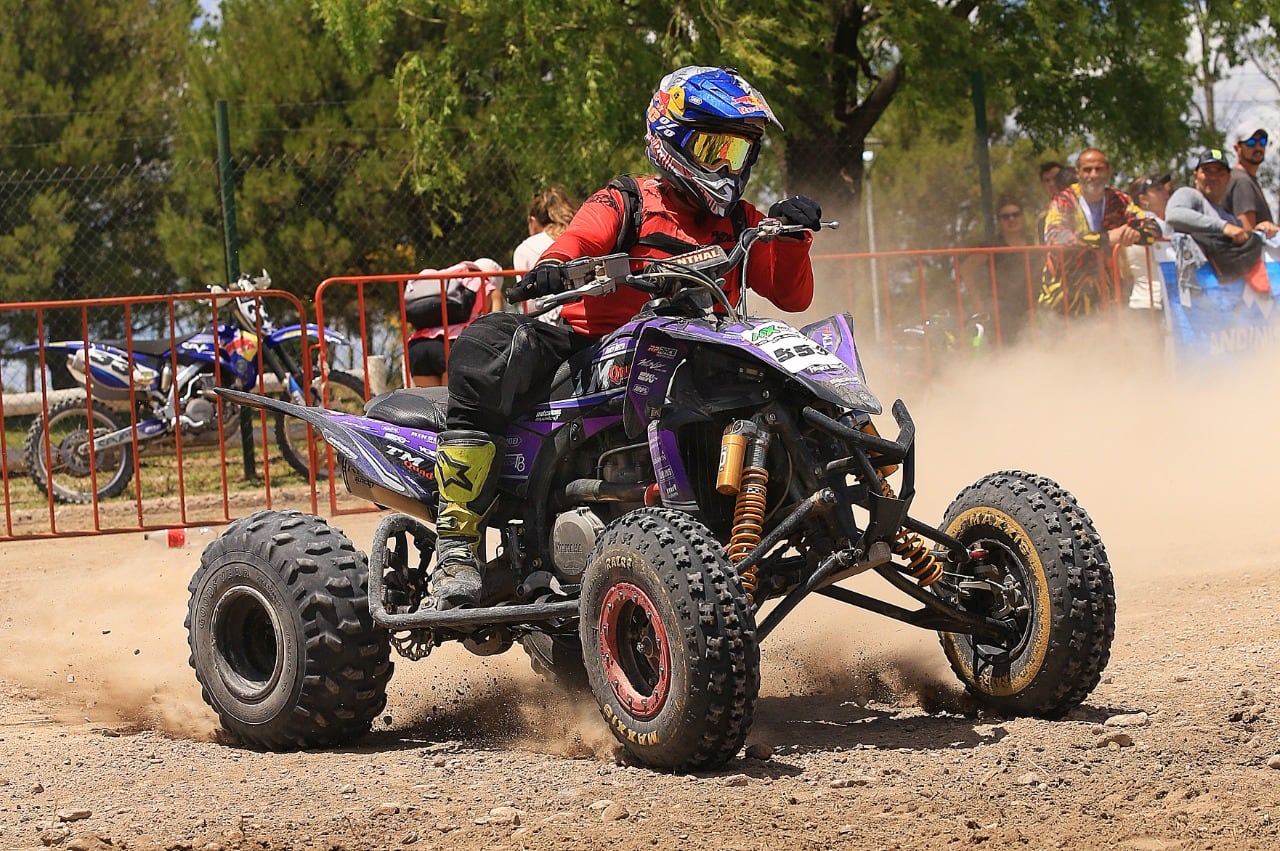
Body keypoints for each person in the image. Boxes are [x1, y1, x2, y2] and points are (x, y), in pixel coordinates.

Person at [427, 65, 821, 608]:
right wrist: (556, 267)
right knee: (484, 349)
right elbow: (576, 242)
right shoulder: (627, 200)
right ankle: (457, 545)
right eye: (713, 149)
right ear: (671, 141)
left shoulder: (740, 219)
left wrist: (794, 238)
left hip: (702, 354)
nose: (725, 167)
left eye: (736, 154)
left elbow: (792, 296)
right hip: (597, 347)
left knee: (790, 383)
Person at [1038, 148, 1160, 315]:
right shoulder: (1064, 200)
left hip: (1106, 299)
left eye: (1099, 169)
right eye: (1087, 170)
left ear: (1108, 171)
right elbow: (1055, 237)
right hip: (1063, 296)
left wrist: (1137, 234)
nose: (1093, 175)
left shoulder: (1119, 199)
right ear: (1078, 173)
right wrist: (1106, 238)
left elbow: (1153, 228)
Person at [1165, 148, 1279, 283]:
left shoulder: (1230, 218)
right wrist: (1223, 227)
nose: (1213, 177)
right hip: (1183, 292)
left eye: (1220, 172)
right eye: (1207, 171)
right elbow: (1174, 214)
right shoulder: (1189, 194)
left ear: (1228, 178)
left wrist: (1261, 231)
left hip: (1223, 295)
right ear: (1196, 176)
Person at [405, 258, 504, 387]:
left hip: (418, 347)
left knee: (428, 403)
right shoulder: (488, 287)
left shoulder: (449, 279)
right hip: (452, 346)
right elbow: (496, 328)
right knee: (449, 402)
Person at [958, 194, 1036, 342]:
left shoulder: (1033, 243)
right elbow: (966, 269)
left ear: (1023, 217)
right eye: (1006, 217)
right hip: (1002, 312)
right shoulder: (993, 245)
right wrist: (978, 303)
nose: (1011, 219)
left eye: (1016, 215)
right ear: (999, 221)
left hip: (1030, 309)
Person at [511, 186, 578, 321]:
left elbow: (528, 302)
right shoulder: (578, 236)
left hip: (548, 325)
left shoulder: (526, 248)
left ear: (532, 221)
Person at [1124, 173, 1175, 310]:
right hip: (1155, 305)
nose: (1165, 192)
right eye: (1158, 189)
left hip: (1142, 302)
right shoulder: (1151, 223)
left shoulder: (1131, 223)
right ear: (1143, 199)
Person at [1222, 123, 1275, 231]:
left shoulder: (1248, 179)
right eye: (1251, 143)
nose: (1258, 147)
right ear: (1237, 148)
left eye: (1262, 142)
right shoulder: (1242, 181)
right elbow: (1248, 233)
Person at [1035, 161, 1064, 244]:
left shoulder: (1082, 206)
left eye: (1056, 178)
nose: (1052, 183)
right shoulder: (1042, 219)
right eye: (1047, 180)